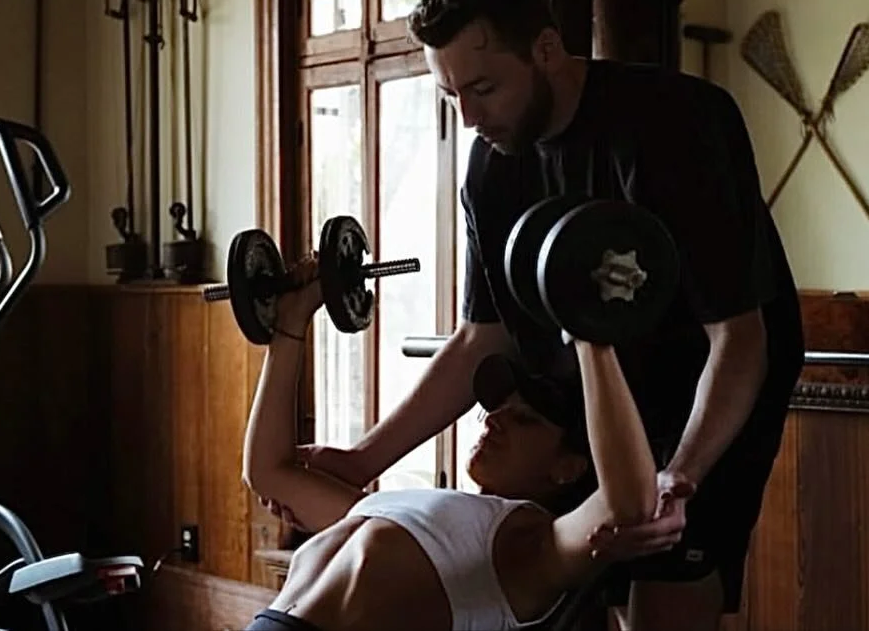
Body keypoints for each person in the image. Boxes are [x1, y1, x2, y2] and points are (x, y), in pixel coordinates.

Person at [265, 0, 807, 630]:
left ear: (546, 49)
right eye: (449, 94)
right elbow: (480, 338)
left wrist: (681, 476)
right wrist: (362, 456)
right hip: (584, 404)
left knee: (662, 576)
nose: (467, 116)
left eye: (483, 87)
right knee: (558, 591)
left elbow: (739, 337)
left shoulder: (676, 123)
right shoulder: (491, 166)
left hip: (700, 404)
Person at [242, 253, 685, 631]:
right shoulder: (407, 511)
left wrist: (590, 333)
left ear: (568, 467)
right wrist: (292, 321)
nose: (494, 419)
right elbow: (268, 472)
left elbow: (626, 504)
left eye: (525, 420)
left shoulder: (531, 553)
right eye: (499, 407)